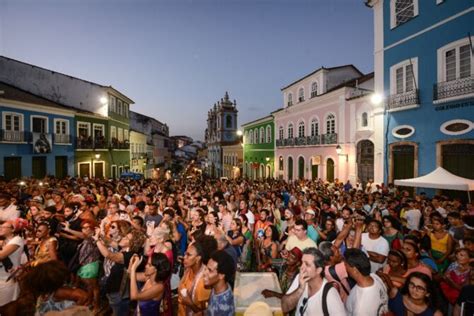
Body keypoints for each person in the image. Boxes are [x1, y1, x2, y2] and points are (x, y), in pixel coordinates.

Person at [281, 247, 346, 315]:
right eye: (302, 262)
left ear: (318, 270)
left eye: (307, 264)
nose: (302, 267)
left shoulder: (329, 293)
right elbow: (284, 307)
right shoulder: (300, 278)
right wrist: (300, 289)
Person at [344, 248, 389, 316]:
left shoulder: (361, 307)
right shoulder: (374, 277)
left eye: (345, 265)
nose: (344, 267)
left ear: (355, 270)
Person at [0, 219, 25, 315]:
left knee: (8, 308)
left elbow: (2, 256)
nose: (0, 228)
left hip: (7, 279)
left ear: (13, 229)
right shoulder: (3, 241)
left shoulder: (17, 240)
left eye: (3, 227)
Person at [203, 250, 236, 316]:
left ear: (221, 275)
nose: (204, 273)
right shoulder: (216, 287)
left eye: (210, 270)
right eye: (206, 268)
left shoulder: (224, 307)